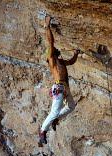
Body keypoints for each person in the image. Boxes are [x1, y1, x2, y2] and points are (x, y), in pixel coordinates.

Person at [39, 15, 80, 146]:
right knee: (54, 112)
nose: (56, 50)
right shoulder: (52, 60)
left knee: (71, 107)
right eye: (54, 50)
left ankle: (56, 120)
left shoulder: (61, 61)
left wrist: (76, 54)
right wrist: (47, 26)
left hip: (64, 88)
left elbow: (71, 62)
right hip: (58, 88)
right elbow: (50, 42)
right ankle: (42, 131)